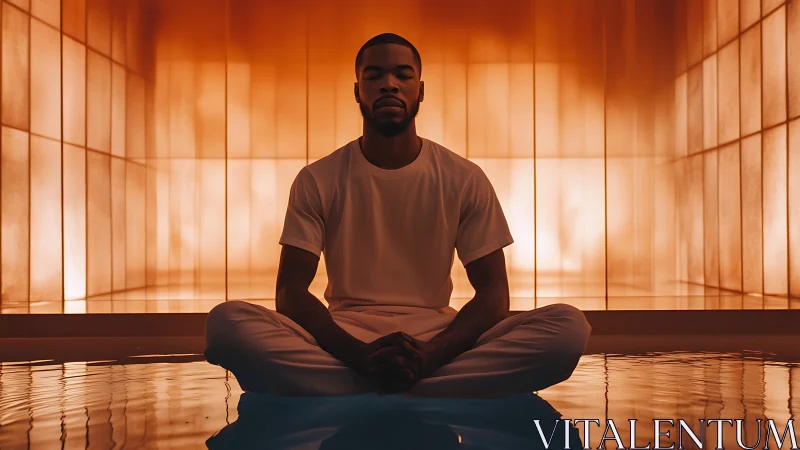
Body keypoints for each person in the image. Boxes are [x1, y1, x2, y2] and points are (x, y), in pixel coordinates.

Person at [204, 33, 591, 398]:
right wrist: (359, 355)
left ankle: (360, 385)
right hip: (345, 334)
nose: (388, 84)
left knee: (568, 328)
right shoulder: (317, 178)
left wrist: (430, 355)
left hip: (437, 334)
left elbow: (493, 294)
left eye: (403, 74)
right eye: (374, 75)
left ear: (420, 90)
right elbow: (290, 292)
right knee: (226, 323)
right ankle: (430, 387)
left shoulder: (463, 177)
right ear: (358, 91)